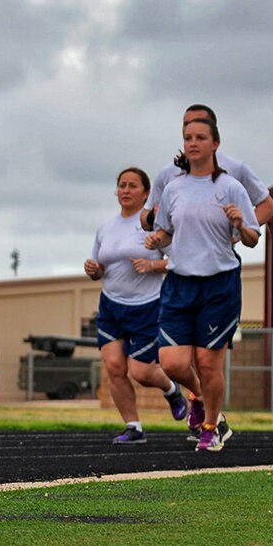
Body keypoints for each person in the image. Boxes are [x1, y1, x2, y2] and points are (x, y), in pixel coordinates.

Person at [143, 103, 273, 439]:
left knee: (207, 362)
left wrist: (239, 226)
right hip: (179, 281)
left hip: (218, 283)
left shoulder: (231, 185)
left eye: (200, 136)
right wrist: (156, 237)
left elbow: (252, 238)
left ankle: (210, 426)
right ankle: (200, 397)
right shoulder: (173, 186)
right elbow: (165, 230)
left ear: (215, 142)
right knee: (172, 363)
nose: (193, 142)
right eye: (187, 136)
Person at [84, 166, 189, 443]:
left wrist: (153, 265)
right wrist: (93, 269)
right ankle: (133, 426)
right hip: (110, 305)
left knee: (141, 372)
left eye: (132, 186)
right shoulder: (105, 227)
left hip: (147, 307)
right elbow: (99, 270)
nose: (126, 190)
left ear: (146, 193)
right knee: (114, 367)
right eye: (122, 185)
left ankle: (171, 390)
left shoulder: (154, 227)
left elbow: (180, 261)